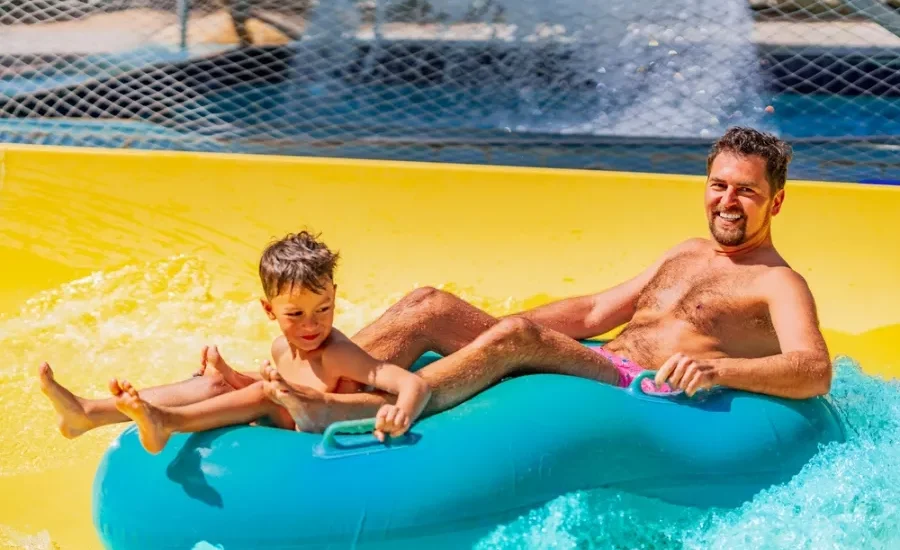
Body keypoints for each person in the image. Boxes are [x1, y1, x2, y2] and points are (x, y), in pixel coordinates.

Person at [255, 126, 834, 433]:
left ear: (775, 202)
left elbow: (814, 370)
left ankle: (348, 411)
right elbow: (590, 315)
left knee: (519, 341)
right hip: (599, 355)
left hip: (636, 387)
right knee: (428, 304)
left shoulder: (779, 283)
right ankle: (299, 379)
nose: (727, 201)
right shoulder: (686, 252)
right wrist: (484, 328)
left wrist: (718, 369)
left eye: (746, 191)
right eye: (718, 185)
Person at [38, 231, 432, 453]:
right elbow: (285, 392)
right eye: (295, 314)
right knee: (217, 382)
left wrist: (403, 413)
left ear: (335, 296)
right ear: (268, 310)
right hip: (287, 419)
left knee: (264, 391)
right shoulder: (282, 348)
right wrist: (228, 374)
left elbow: (410, 384)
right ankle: (88, 412)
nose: (312, 325)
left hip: (312, 433)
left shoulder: (338, 353)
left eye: (324, 309)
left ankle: (166, 422)